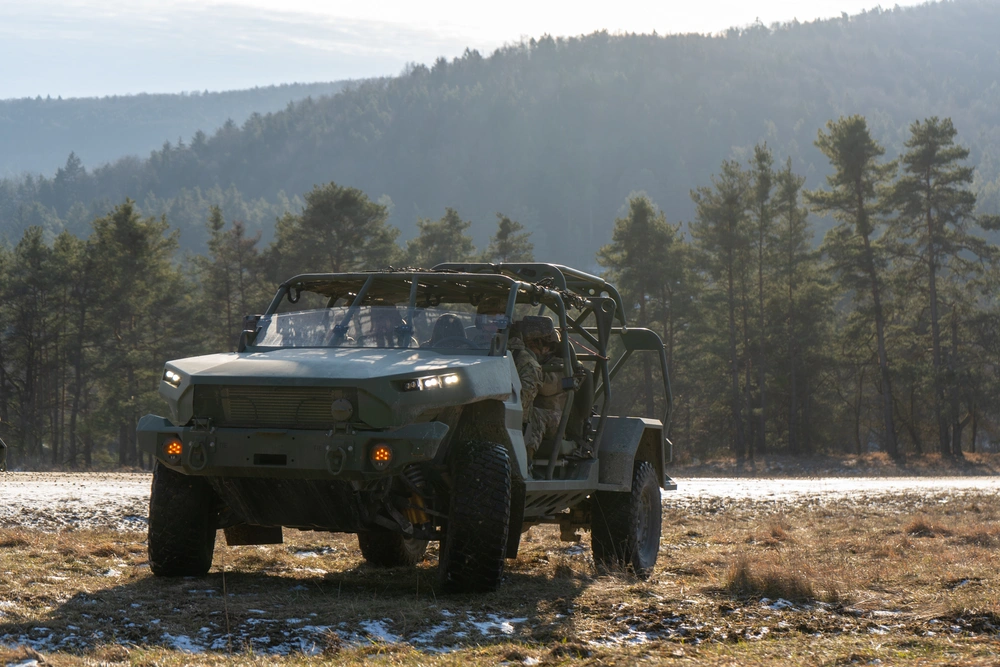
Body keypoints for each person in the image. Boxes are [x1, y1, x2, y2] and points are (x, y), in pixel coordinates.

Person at [509, 316, 563, 462]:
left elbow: (547, 387)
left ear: (547, 346)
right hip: (528, 409)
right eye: (526, 344)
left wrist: (529, 368)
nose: (527, 348)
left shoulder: (560, 365)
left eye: (531, 344)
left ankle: (525, 462)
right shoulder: (520, 358)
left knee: (534, 416)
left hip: (553, 417)